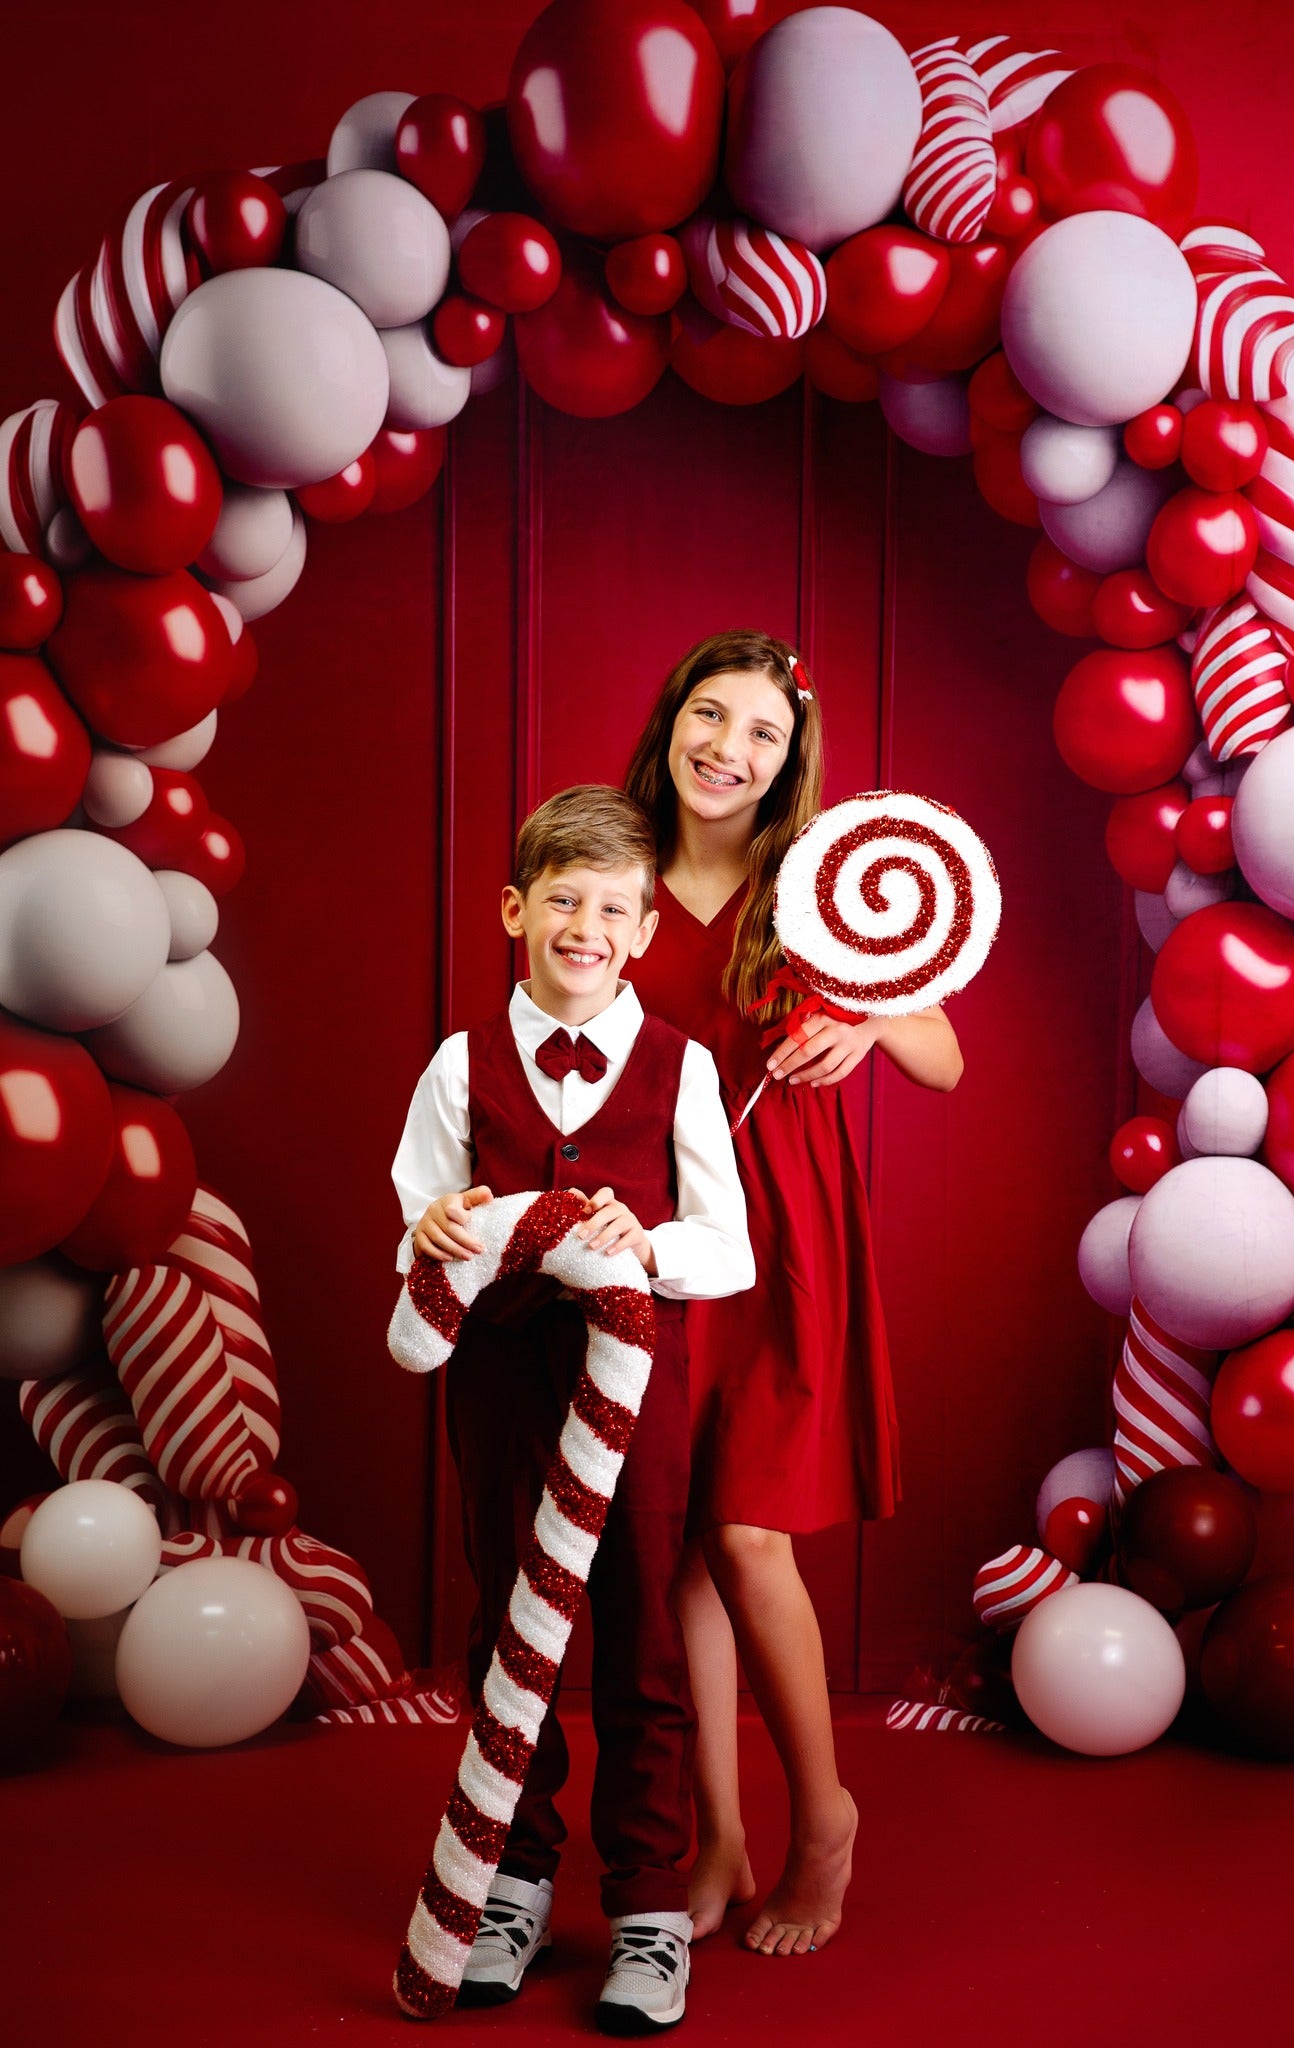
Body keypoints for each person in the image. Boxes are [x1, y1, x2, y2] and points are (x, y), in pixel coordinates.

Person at [391, 783, 754, 2036]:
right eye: (562, 900)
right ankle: (514, 1878)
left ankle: (648, 1903)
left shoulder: (681, 1067)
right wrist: (431, 1226)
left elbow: (728, 1247)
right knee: (511, 1631)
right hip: (499, 1387)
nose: (585, 926)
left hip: (631, 1391)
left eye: (612, 907)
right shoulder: (459, 1064)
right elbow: (421, 1216)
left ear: (644, 930)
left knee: (641, 1635)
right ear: (515, 910)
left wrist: (643, 1241)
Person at [623, 631, 964, 1960]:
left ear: (785, 763)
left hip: (784, 1239)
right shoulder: (617, 870)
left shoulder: (815, 888)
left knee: (751, 1537)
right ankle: (718, 1836)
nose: (728, 748)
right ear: (670, 725)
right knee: (685, 1552)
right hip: (656, 1235)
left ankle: (822, 1817)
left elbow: (940, 1057)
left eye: (758, 734)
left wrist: (871, 1024)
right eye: (709, 716)